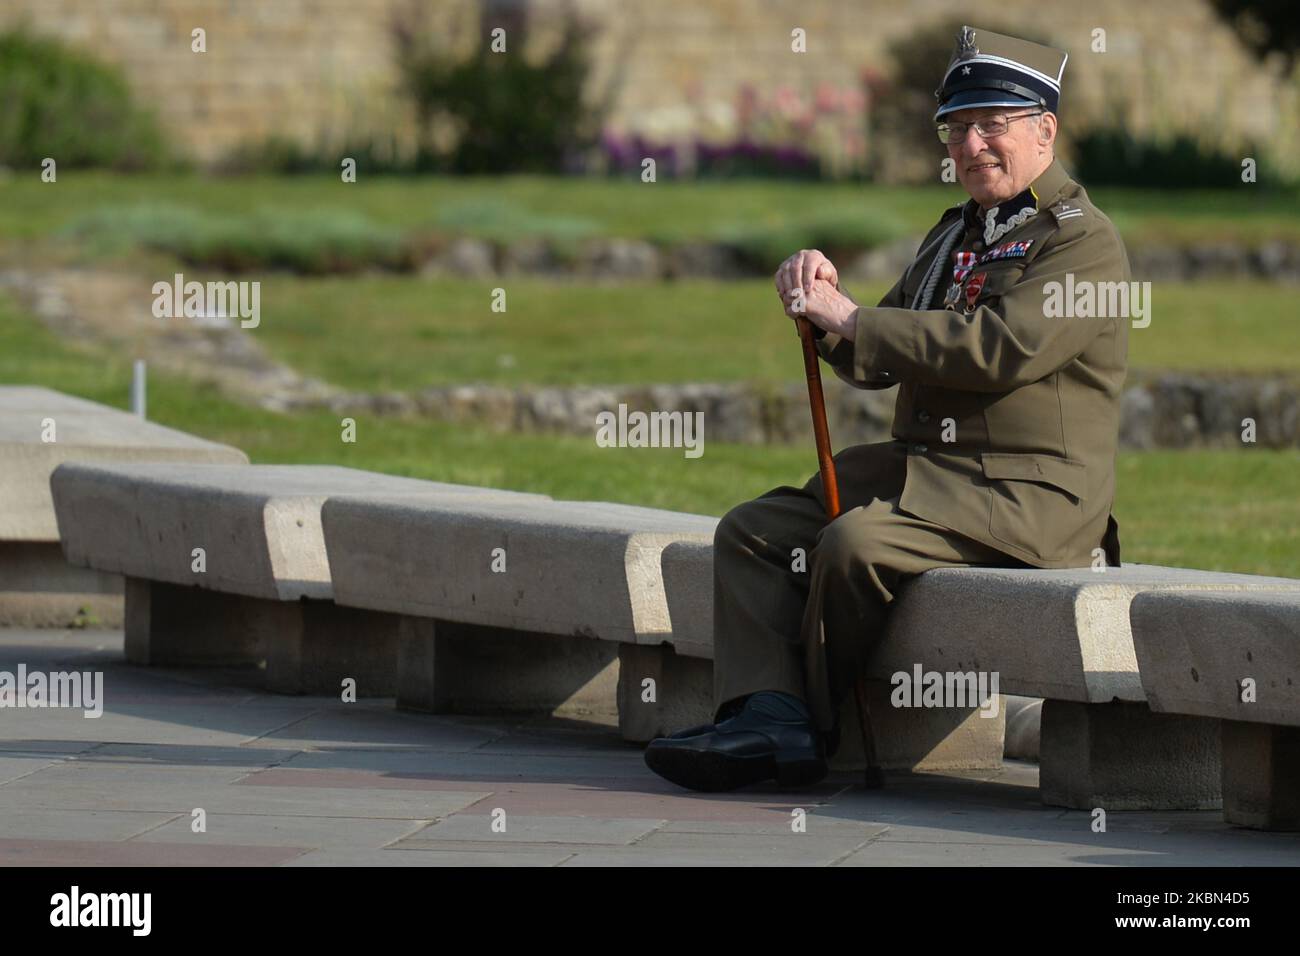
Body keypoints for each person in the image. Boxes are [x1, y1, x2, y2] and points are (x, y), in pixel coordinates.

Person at [644, 25, 1131, 792]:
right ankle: (766, 718)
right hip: (933, 476)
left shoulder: (1082, 245)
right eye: (957, 128)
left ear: (1046, 129)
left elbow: (1000, 347)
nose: (971, 146)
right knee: (754, 532)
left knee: (853, 545)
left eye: (990, 125)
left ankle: (809, 728)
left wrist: (855, 321)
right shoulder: (954, 235)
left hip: (1030, 494)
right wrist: (820, 305)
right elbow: (878, 351)